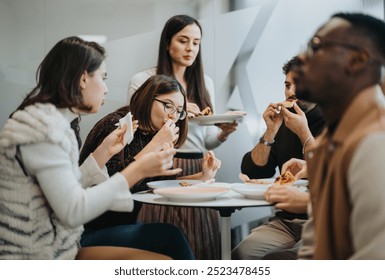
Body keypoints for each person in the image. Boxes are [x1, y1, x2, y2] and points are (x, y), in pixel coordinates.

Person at [0, 36, 193, 260]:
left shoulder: (55, 125)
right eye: (103, 77)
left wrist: (102, 152)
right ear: (83, 79)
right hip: (34, 257)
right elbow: (73, 211)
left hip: (58, 246)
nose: (106, 89)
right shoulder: (43, 131)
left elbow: (67, 190)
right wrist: (137, 169)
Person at [127, 15, 236, 259]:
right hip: (161, 165)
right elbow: (137, 131)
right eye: (183, 40)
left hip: (198, 165)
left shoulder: (204, 82)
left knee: (201, 239)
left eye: (196, 42)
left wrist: (223, 134)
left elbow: (206, 140)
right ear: (167, 43)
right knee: (159, 243)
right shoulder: (143, 80)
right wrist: (181, 114)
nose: (190, 48)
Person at [79, 74, 220, 259]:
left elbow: (162, 184)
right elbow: (113, 183)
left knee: (170, 237)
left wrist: (202, 176)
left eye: (179, 111)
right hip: (85, 232)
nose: (173, 115)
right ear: (148, 98)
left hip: (122, 227)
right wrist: (154, 145)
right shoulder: (117, 125)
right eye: (167, 105)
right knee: (170, 235)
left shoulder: (152, 134)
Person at [291, 12, 385, 259]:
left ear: (357, 61)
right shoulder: (329, 141)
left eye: (316, 47)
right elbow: (314, 248)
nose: (302, 57)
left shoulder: (376, 143)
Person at [231, 56, 326, 260]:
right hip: (286, 221)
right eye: (287, 85)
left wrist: (304, 133)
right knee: (242, 253)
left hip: (324, 220)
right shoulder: (285, 122)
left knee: (284, 260)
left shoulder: (335, 122)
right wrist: (270, 133)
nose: (291, 92)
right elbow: (252, 171)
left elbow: (331, 174)